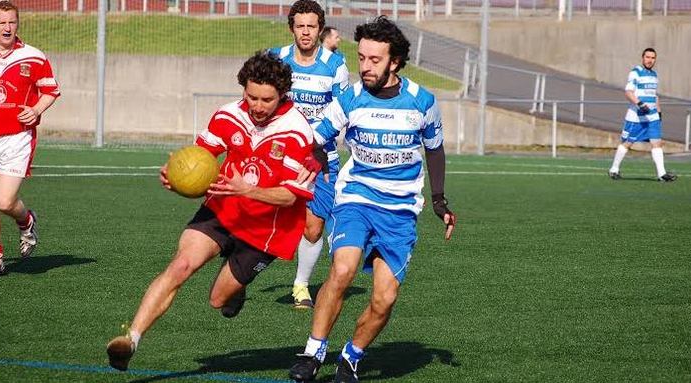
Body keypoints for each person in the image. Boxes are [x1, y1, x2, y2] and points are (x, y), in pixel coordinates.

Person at [106, 51, 317, 371]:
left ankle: (237, 288)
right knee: (180, 265)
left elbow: (291, 197)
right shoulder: (228, 115)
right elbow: (199, 158)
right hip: (223, 207)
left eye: (267, 100)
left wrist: (248, 190)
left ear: (282, 95)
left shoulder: (297, 131)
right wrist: (176, 175)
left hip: (266, 228)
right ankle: (131, 339)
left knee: (219, 300)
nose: (258, 107)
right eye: (251, 97)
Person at [288, 16, 457, 383]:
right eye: (361, 58)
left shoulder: (422, 101)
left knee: (384, 299)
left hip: (399, 212)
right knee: (343, 270)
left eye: (374, 60)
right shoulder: (349, 97)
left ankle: (350, 357)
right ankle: (313, 351)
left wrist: (440, 201)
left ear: (394, 61)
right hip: (356, 199)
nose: (364, 66)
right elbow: (316, 136)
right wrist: (314, 159)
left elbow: (435, 150)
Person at [0, 0, 60, 278]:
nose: (8, 28)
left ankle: (26, 220)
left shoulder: (33, 57)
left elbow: (51, 91)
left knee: (5, 201)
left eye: (12, 22)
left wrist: (35, 110)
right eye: (2, 23)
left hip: (17, 139)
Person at [269, 0, 349, 309]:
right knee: (259, 213)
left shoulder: (335, 65)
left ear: (320, 29)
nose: (306, 32)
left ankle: (301, 286)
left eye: (311, 26)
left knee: (314, 227)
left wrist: (316, 145)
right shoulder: (277, 59)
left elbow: (342, 113)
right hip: (280, 156)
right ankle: (238, 274)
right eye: (300, 26)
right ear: (292, 28)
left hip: (322, 159)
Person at [608, 48, 677, 182]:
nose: (650, 60)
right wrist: (640, 104)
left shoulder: (654, 75)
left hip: (652, 116)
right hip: (636, 116)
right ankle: (614, 169)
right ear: (642, 58)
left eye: (652, 58)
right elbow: (628, 92)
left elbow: (654, 95)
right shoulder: (635, 73)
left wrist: (659, 111)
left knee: (657, 143)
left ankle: (661, 174)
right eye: (647, 57)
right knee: (627, 143)